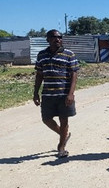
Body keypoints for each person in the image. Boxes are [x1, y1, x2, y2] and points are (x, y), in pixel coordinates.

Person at [33, 29, 79, 158]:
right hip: (47, 94)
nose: (57, 39)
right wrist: (35, 93)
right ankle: (63, 135)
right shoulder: (41, 55)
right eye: (54, 37)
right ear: (48, 39)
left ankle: (61, 147)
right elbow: (39, 74)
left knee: (64, 120)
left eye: (59, 37)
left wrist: (71, 94)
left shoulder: (69, 54)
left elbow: (74, 75)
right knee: (46, 119)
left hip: (63, 94)